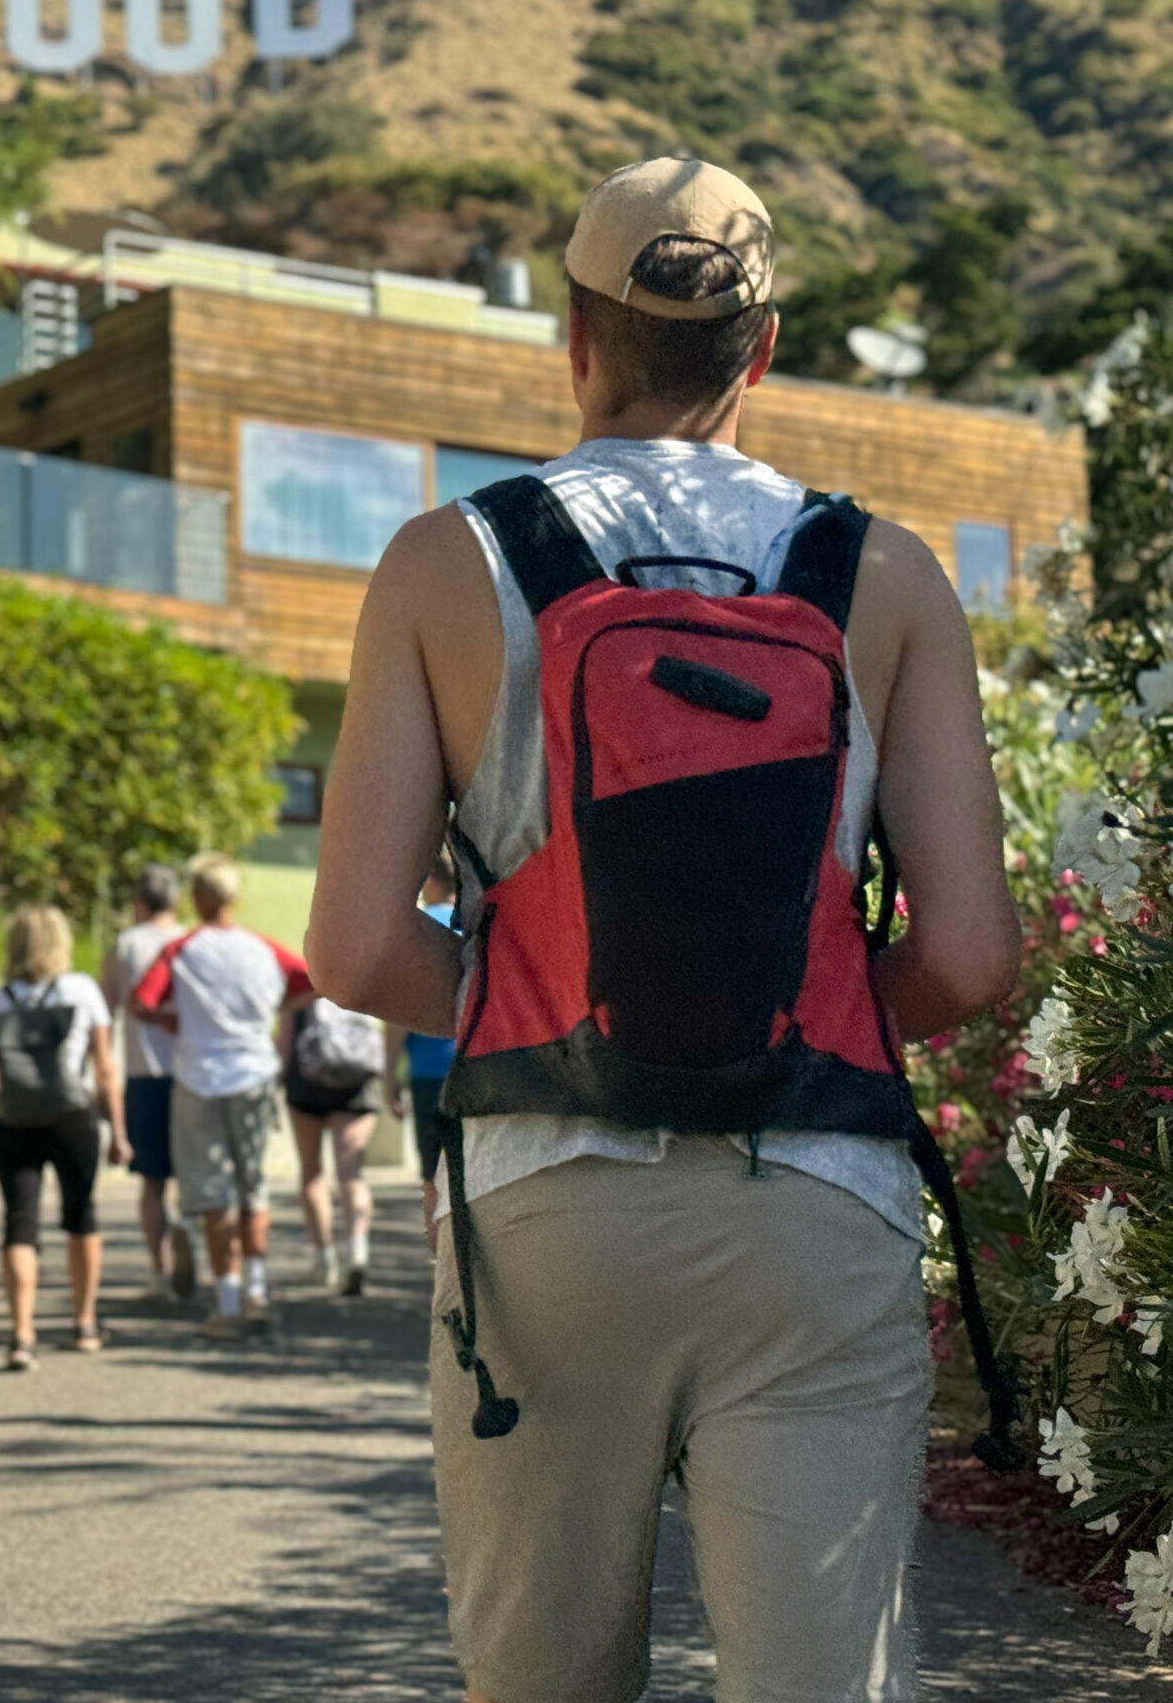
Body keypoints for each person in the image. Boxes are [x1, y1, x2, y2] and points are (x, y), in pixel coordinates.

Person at [306, 159, 1019, 1701]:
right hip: (818, 1195)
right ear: (758, 354)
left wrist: (549, 1000)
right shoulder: (884, 576)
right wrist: (796, 1001)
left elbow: (359, 948)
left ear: (573, 337)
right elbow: (967, 954)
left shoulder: (448, 562)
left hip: (544, 1201)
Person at [131, 852, 315, 1342]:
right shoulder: (263, 949)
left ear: (196, 896)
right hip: (254, 1073)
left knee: (214, 1196)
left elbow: (141, 1002)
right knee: (253, 1188)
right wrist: (273, 1009)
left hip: (198, 1078)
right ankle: (257, 1291)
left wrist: (178, 1021)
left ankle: (227, 1303)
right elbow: (313, 981)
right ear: (235, 896)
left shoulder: (181, 951)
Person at [0, 905, 129, 1370]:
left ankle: (22, 1335)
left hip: (14, 1121)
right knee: (81, 1215)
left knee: (19, 1224)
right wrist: (118, 1131)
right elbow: (104, 1069)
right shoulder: (81, 990)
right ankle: (84, 1323)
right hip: (72, 1117)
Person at [101, 862, 194, 1300]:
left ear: (139, 903)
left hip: (144, 1073)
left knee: (152, 1182)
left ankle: (159, 1272)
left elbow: (106, 1009)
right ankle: (189, 1233)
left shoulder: (126, 944)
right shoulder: (193, 940)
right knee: (195, 1175)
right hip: (196, 1073)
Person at [282, 988, 384, 1295]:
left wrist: (279, 1080)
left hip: (307, 1080)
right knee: (351, 1173)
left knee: (312, 1171)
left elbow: (285, 1042)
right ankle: (357, 1250)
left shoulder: (302, 986)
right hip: (357, 1081)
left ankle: (324, 1259)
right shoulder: (360, 978)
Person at [400, 860, 459, 1191]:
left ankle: (440, 1244)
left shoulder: (418, 928)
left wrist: (388, 1074)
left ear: (432, 880)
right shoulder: (474, 923)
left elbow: (401, 1013)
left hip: (427, 1070)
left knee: (433, 1176)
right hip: (471, 1062)